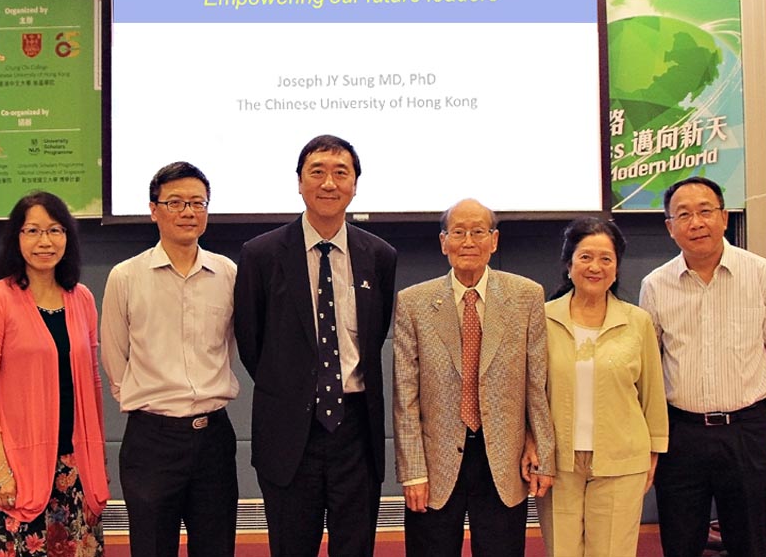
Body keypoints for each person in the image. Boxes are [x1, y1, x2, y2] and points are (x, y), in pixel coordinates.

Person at [234, 134, 397, 556]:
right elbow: (253, 345)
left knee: (356, 547)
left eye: (341, 173)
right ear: (300, 182)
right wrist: (296, 388)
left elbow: (373, 336)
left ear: (355, 184)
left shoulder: (379, 255)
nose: (329, 183)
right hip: (289, 434)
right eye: (318, 172)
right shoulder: (262, 254)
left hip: (356, 432)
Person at [640, 176, 766, 557]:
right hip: (681, 434)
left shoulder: (761, 274)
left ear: (724, 217)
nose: (696, 222)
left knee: (749, 544)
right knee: (680, 543)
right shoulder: (655, 285)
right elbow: (646, 368)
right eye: (684, 214)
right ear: (670, 227)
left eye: (705, 211)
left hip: (747, 430)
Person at [392, 198, 553, 557]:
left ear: (493, 241)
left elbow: (536, 386)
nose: (468, 241)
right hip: (435, 462)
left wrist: (541, 451)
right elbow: (405, 396)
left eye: (478, 232)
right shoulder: (413, 302)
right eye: (458, 232)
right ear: (443, 241)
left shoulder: (526, 296)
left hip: (504, 460)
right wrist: (412, 471)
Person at [101, 161, 240, 557]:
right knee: (152, 547)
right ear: (153, 209)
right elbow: (114, 355)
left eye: (198, 202)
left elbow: (233, 343)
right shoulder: (126, 276)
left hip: (214, 436)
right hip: (152, 441)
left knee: (216, 548)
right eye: (175, 202)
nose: (188, 212)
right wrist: (148, 402)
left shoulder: (227, 273)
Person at [0, 191, 108, 556]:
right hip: (17, 467)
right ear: (16, 238)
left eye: (55, 230)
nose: (44, 241)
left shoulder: (82, 299)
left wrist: (96, 460)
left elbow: (92, 382)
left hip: (74, 468)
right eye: (32, 231)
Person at [533, 217, 668, 556]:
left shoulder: (637, 322)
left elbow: (652, 393)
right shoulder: (542, 318)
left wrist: (653, 451)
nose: (596, 267)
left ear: (617, 267)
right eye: (586, 257)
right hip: (557, 463)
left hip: (622, 462)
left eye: (606, 259)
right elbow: (528, 393)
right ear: (569, 264)